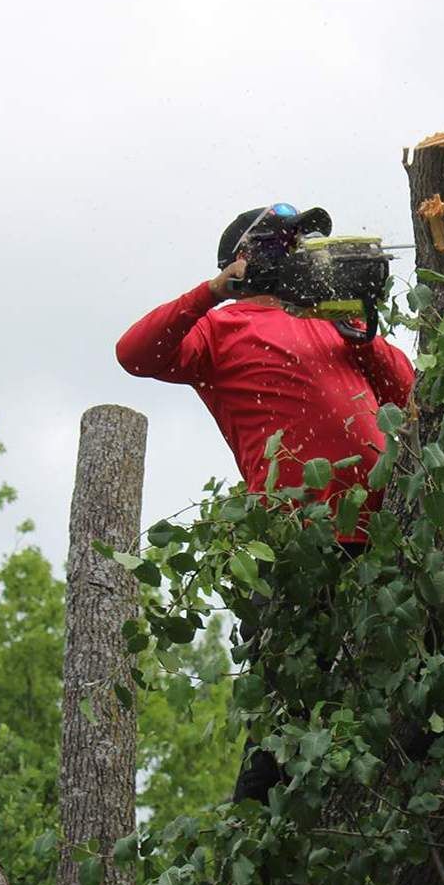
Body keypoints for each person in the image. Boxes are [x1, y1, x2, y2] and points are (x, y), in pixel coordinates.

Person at [117, 203, 415, 801]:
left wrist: (365, 330)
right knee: (291, 709)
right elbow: (135, 353)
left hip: (385, 534)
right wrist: (218, 286)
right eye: (291, 245)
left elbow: (412, 395)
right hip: (296, 539)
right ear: (250, 259)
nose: (309, 256)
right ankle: (253, 840)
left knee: (411, 693)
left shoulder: (335, 325)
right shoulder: (221, 326)